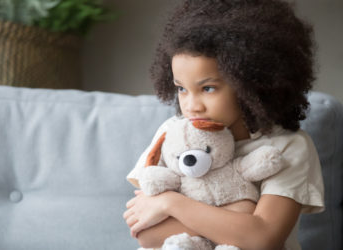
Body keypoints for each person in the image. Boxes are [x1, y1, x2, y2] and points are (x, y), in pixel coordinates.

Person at [123, 0, 325, 249]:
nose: (192, 106)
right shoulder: (173, 134)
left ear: (251, 83)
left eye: (208, 88)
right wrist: (240, 218)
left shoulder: (288, 147)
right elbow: (147, 234)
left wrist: (171, 204)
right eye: (182, 89)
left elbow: (263, 238)